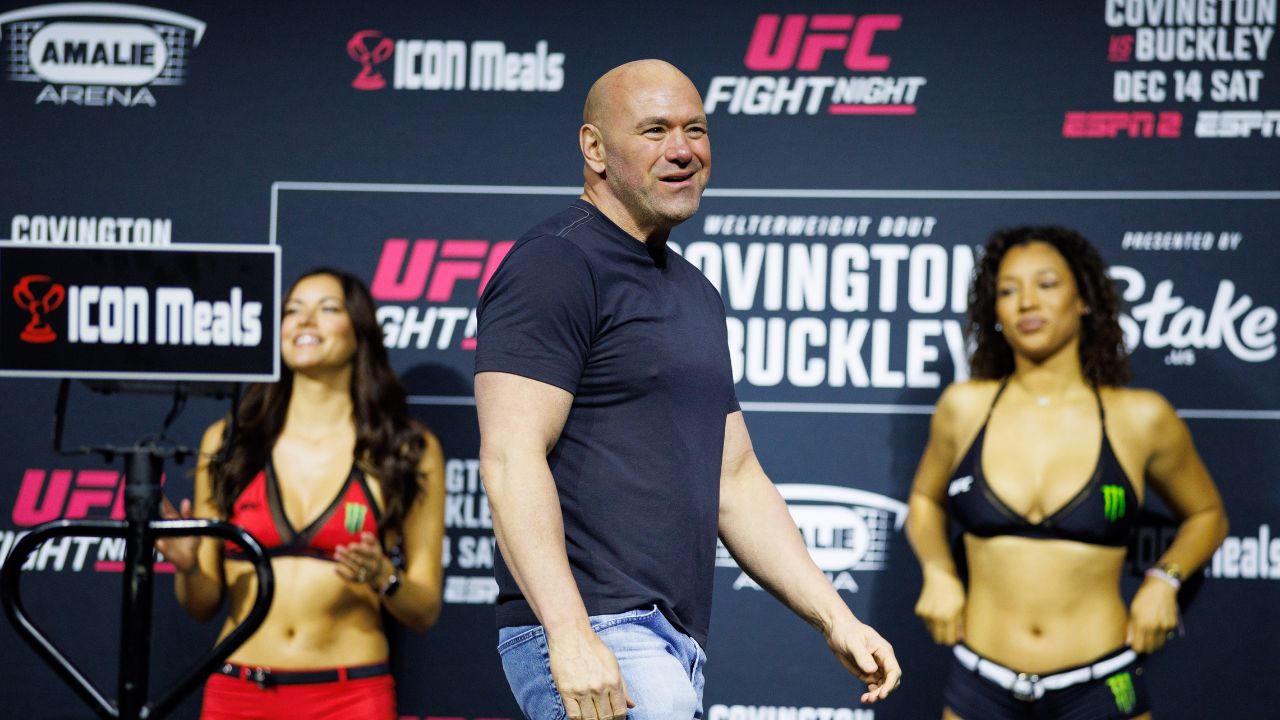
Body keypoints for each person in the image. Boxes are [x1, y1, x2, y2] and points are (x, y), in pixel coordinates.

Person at [473, 59, 901, 720]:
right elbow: (509, 457)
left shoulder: (696, 293)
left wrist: (834, 617)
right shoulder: (555, 263)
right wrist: (570, 632)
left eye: (694, 130)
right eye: (653, 130)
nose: (682, 150)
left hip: (672, 644)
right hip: (597, 632)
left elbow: (734, 479)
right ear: (594, 149)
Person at [906, 226, 1229, 720]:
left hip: (1102, 684)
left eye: (1046, 284)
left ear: (1084, 300)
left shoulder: (1140, 417)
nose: (1026, 302)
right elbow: (925, 502)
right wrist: (937, 571)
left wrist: (1164, 580)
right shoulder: (963, 407)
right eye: (1008, 290)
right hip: (979, 684)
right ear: (994, 311)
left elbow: (1207, 514)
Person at [157, 268, 445, 720]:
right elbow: (202, 604)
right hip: (237, 690)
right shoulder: (229, 442)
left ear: (359, 331)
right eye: (292, 311)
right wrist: (190, 566)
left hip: (350, 696)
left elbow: (424, 608)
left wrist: (383, 575)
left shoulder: (406, 449)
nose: (304, 321)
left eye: (326, 309)